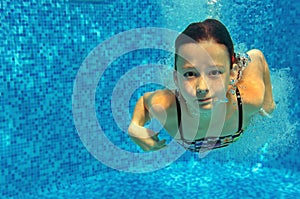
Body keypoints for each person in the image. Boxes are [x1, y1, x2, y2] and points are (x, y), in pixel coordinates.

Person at [128, 19, 276, 152]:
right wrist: (135, 127)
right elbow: (144, 102)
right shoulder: (168, 107)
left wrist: (268, 103)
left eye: (215, 72)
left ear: (232, 73)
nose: (202, 88)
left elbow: (257, 57)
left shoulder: (250, 101)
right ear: (176, 78)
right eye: (190, 74)